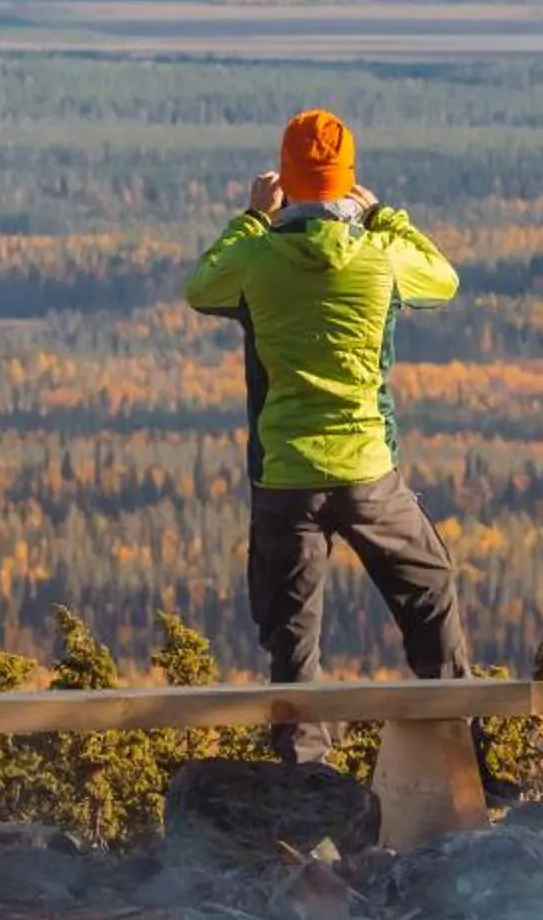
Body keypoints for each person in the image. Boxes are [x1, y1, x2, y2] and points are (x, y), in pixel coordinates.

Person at [183, 107, 469, 765]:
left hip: (285, 473)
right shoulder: (382, 255)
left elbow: (201, 287)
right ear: (348, 182)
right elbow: (444, 280)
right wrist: (386, 217)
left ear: (282, 180)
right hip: (368, 471)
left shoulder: (255, 259)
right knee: (428, 592)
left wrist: (253, 217)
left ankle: (302, 778)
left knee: (292, 641)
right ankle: (460, 754)